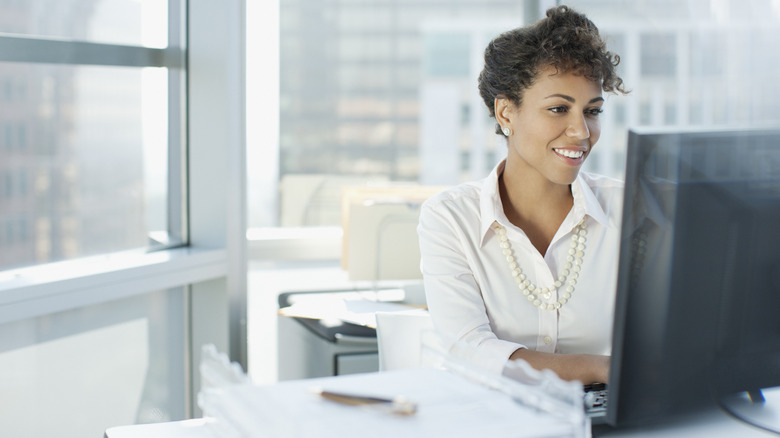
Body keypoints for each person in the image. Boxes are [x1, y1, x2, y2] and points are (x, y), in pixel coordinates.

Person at [417, 5, 628, 385]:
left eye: (592, 110)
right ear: (506, 113)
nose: (581, 131)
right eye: (558, 109)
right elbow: (468, 350)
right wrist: (605, 368)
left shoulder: (630, 210)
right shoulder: (450, 218)